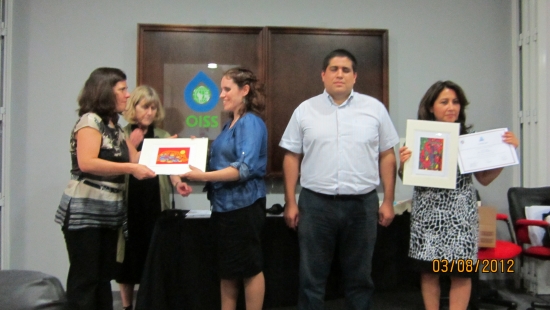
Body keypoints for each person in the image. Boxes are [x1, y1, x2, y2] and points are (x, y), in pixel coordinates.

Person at [279, 49, 399, 309]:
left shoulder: (375, 109)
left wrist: (388, 200)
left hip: (362, 205)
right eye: (333, 69)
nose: (339, 74)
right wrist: (290, 201)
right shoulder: (305, 110)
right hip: (315, 205)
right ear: (323, 75)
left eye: (346, 70)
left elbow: (388, 156)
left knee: (360, 278)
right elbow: (291, 157)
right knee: (311, 279)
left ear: (355, 77)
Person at [398, 80, 519, 310]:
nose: (451, 106)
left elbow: (484, 178)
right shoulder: (419, 137)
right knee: (429, 272)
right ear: (431, 107)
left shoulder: (469, 139)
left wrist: (506, 153)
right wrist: (405, 162)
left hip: (461, 217)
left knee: (461, 274)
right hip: (427, 216)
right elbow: (407, 176)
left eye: (456, 102)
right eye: (444, 102)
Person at [54, 68, 156, 310]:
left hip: (108, 216)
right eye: (122, 89)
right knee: (86, 279)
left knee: (102, 278)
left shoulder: (116, 127)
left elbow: (139, 157)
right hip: (85, 214)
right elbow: (87, 162)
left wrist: (178, 151)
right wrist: (131, 168)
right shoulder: (90, 121)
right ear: (105, 92)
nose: (128, 95)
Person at [181, 68, 267, 310]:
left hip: (244, 207)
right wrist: (194, 150)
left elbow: (243, 169)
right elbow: (220, 161)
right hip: (223, 207)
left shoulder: (250, 122)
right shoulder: (230, 124)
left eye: (227, 89)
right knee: (227, 270)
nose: (221, 95)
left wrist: (202, 175)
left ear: (245, 90)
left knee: (249, 268)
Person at [116, 85, 193, 310]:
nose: (149, 112)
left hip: (155, 203)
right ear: (134, 107)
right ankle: (126, 306)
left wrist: (179, 183)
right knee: (128, 256)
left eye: (153, 107)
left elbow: (172, 169)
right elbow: (118, 166)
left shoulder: (163, 136)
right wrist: (132, 142)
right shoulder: (121, 133)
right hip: (129, 203)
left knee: (155, 255)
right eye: (144, 107)